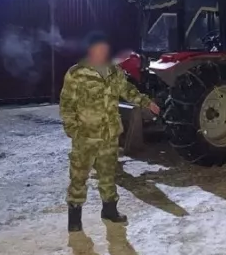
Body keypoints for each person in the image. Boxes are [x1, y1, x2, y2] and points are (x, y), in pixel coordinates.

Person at [60, 31, 160, 232]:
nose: (102, 53)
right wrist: (73, 130)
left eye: (104, 49)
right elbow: (66, 104)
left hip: (109, 134)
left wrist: (147, 102)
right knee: (79, 176)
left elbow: (128, 91)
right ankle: (74, 217)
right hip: (85, 135)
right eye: (98, 49)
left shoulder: (115, 72)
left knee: (108, 174)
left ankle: (109, 210)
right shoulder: (77, 73)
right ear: (90, 50)